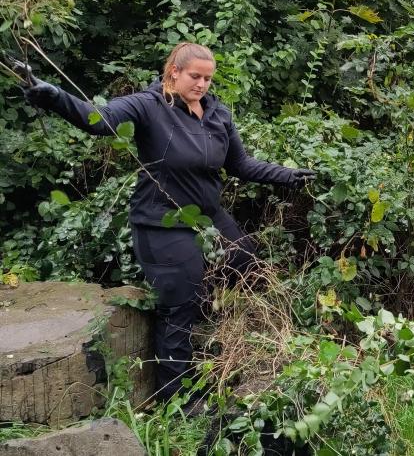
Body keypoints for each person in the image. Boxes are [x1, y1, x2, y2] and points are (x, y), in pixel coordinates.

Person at [20, 42, 315, 403]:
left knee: (245, 262)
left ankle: (196, 335)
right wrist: (53, 96)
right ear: (174, 72)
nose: (203, 84)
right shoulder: (149, 106)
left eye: (208, 78)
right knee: (180, 300)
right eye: (195, 76)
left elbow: (239, 164)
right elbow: (97, 119)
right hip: (160, 222)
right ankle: (177, 399)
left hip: (207, 218)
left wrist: (287, 175)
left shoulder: (216, 113)